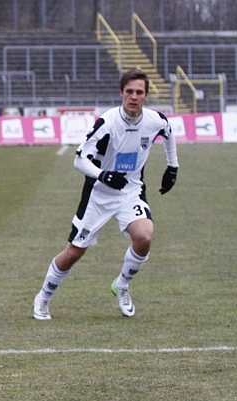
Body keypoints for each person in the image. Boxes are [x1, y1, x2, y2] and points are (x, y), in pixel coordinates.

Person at [33, 69, 178, 321]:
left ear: (146, 96)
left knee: (144, 236)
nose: (134, 97)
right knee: (74, 252)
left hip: (130, 191)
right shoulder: (108, 123)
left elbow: (168, 131)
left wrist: (172, 166)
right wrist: (103, 175)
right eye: (129, 91)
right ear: (121, 93)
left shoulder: (154, 120)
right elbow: (79, 159)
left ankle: (122, 284)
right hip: (98, 195)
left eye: (139, 92)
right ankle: (43, 297)